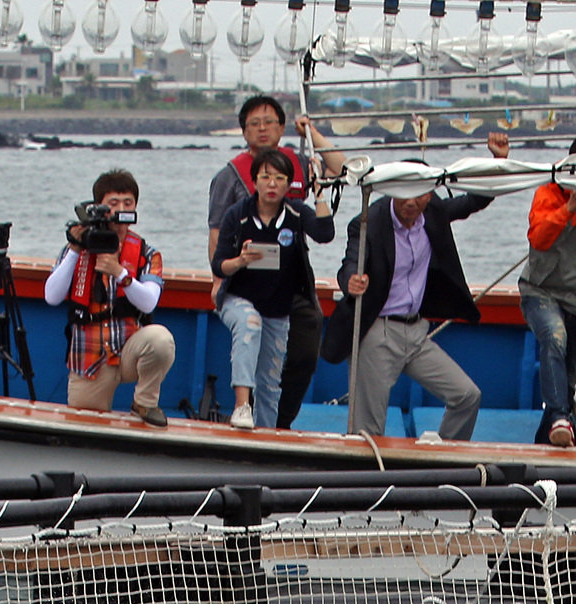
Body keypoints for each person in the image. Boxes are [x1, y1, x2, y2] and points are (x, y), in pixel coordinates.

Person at [321, 133, 511, 440]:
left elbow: (476, 199)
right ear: (392, 191)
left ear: (430, 192)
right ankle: (365, 481)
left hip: (417, 331)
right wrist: (351, 282)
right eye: (403, 193)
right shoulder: (370, 221)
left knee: (467, 396)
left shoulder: (434, 211)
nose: (411, 202)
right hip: (377, 332)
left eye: (419, 193)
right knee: (367, 431)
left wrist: (498, 161)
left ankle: (441, 463)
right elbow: (350, 261)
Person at [207, 94, 345, 428]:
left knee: (302, 354)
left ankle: (278, 422)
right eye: (254, 124)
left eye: (269, 122)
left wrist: (312, 132)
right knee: (250, 332)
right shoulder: (230, 177)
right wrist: (218, 279)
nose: (263, 129)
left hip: (291, 281)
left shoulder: (297, 163)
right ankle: (245, 411)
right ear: (243, 132)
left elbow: (340, 168)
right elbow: (216, 233)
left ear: (282, 127)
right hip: (245, 279)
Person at [43, 168, 175, 428]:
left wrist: (121, 274)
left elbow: (149, 302)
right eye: (112, 204)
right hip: (89, 357)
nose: (120, 210)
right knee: (85, 428)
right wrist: (74, 249)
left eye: (128, 203)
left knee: (161, 340)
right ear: (97, 207)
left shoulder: (147, 253)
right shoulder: (79, 248)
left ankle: (144, 402)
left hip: (128, 350)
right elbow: (52, 296)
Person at [518, 138, 576, 447]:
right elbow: (538, 238)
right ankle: (557, 418)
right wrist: (568, 209)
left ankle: (548, 441)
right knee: (555, 337)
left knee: (569, 380)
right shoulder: (547, 194)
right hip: (541, 291)